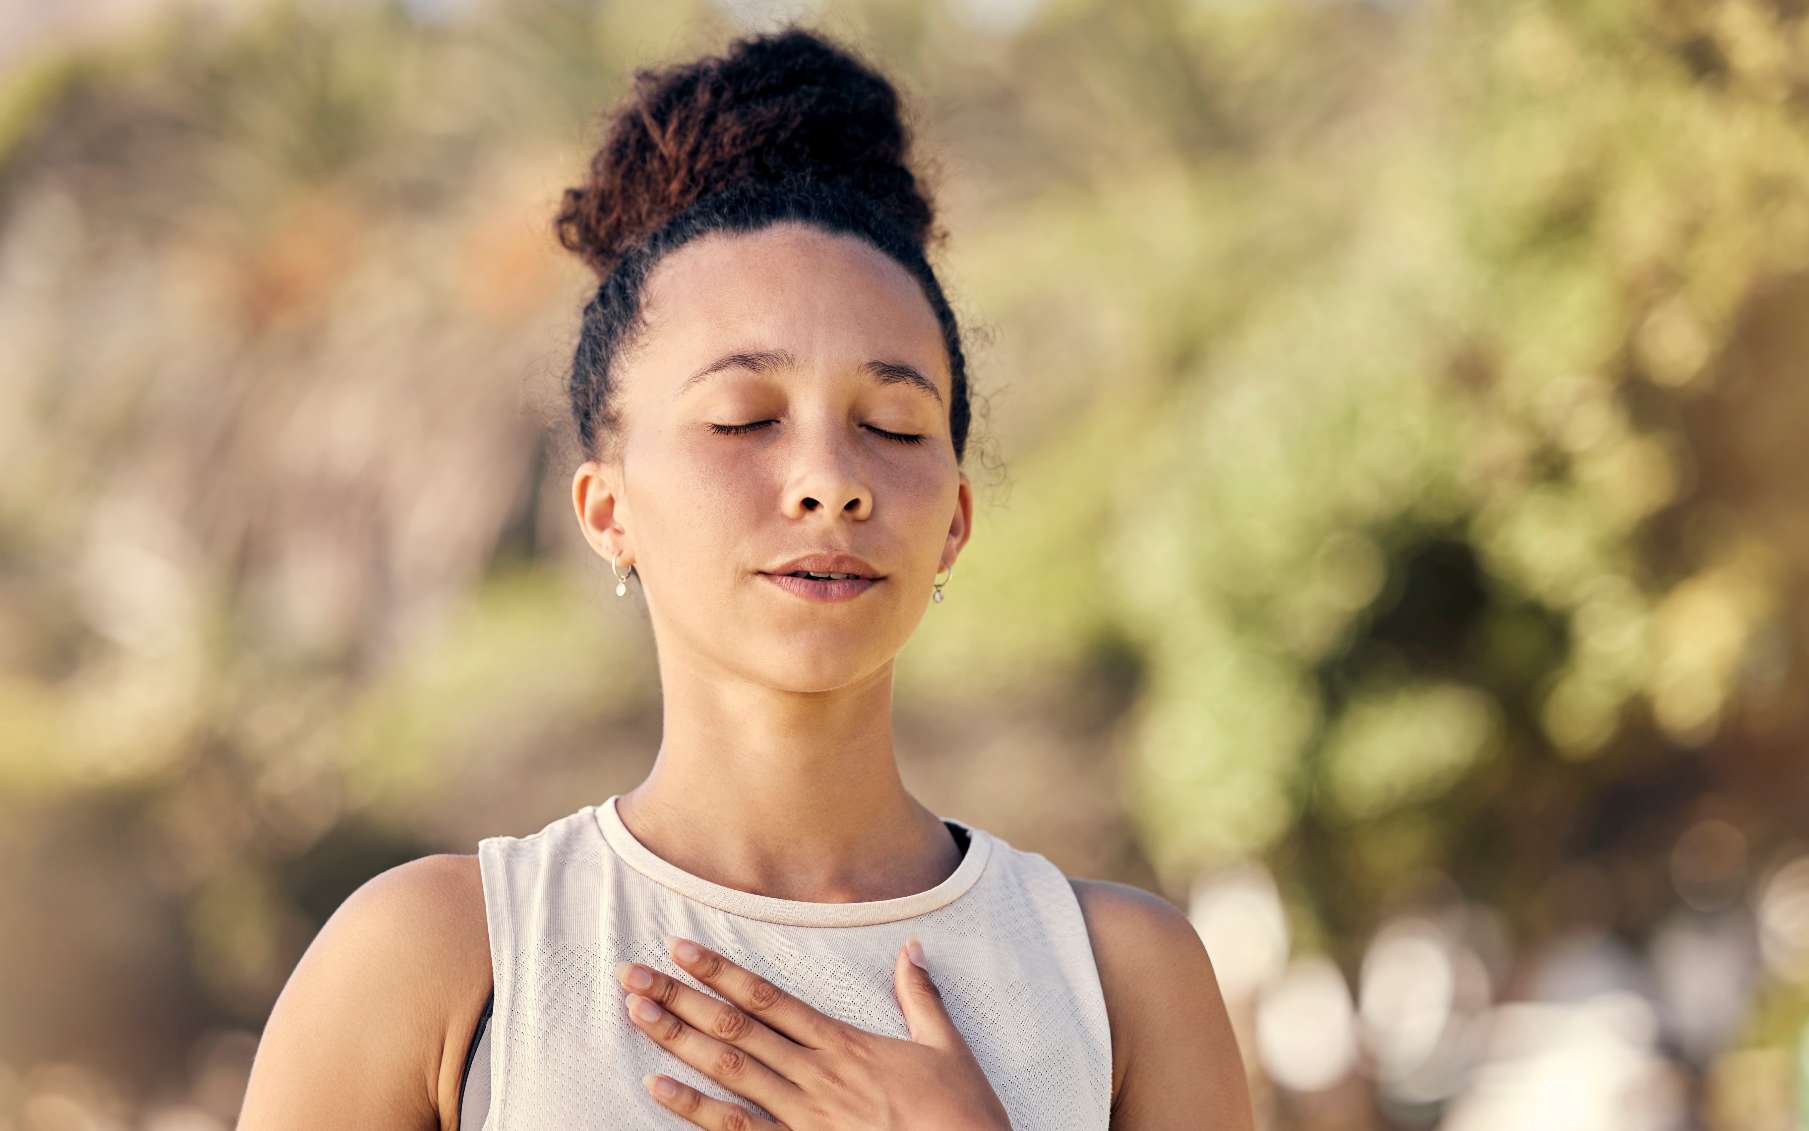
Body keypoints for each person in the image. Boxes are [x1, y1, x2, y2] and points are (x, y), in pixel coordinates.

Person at [237, 22, 1253, 1131]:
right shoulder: (440, 961)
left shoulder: (1120, 978)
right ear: (607, 509)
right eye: (742, 419)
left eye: (893, 425)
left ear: (955, 520)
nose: (830, 481)